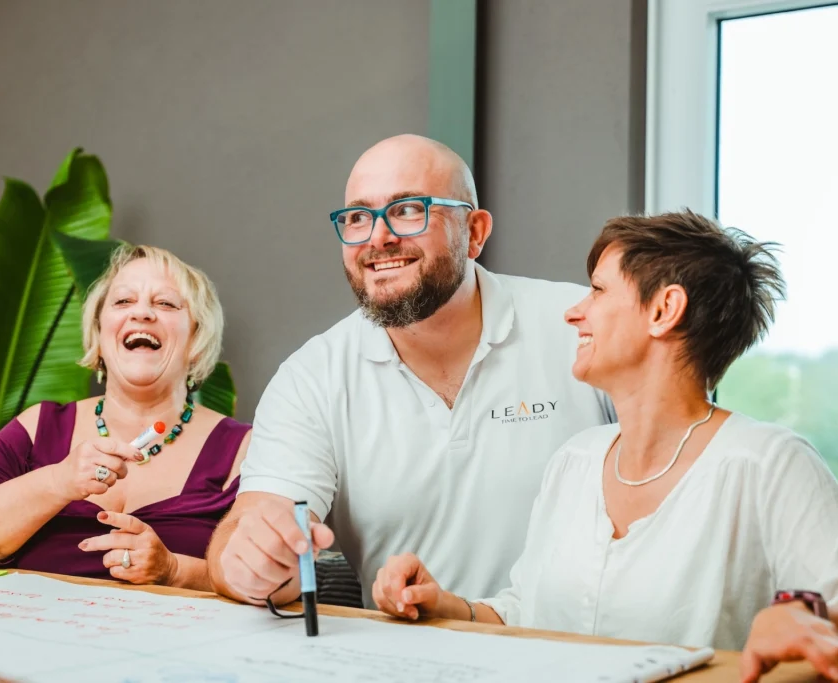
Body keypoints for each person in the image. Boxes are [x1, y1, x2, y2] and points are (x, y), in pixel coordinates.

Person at [370, 211, 838, 680]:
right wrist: (449, 606)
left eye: (596, 291)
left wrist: (813, 617)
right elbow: (530, 610)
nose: (574, 311)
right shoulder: (575, 461)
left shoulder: (765, 462)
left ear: (664, 310)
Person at [207, 134, 617, 608]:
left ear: (476, 232)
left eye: (407, 210)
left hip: (579, 657)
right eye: (358, 217)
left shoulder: (579, 325)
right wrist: (253, 563)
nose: (378, 238)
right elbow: (245, 532)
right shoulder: (312, 378)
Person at [0, 245, 250, 591]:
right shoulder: (38, 427)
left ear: (197, 339)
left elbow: (273, 582)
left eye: (166, 303)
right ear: (98, 333)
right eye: (123, 301)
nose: (141, 313)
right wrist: (58, 482)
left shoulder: (244, 449)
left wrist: (173, 570)